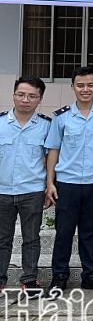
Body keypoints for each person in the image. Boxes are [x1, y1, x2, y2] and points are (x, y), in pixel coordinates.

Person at [45, 67, 93, 298]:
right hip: (67, 183)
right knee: (64, 232)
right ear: (72, 87)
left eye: (90, 85)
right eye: (80, 85)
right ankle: (60, 275)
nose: (85, 89)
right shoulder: (61, 117)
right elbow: (53, 150)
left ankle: (91, 274)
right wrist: (50, 183)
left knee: (89, 231)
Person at [0, 76, 51, 298]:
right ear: (13, 95)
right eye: (21, 94)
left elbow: (51, 160)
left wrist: (50, 187)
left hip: (32, 190)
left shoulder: (46, 126)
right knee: (2, 239)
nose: (25, 100)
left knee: (31, 238)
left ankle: (29, 280)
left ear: (39, 99)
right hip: (2, 191)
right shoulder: (1, 123)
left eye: (32, 96)